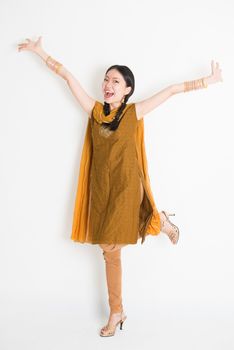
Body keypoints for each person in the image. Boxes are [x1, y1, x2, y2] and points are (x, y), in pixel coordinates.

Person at [17, 36, 223, 337]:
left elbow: (171, 91)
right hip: (103, 189)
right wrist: (40, 52)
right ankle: (160, 221)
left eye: (115, 80)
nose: (107, 84)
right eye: (105, 80)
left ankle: (116, 312)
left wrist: (207, 81)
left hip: (128, 186)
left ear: (127, 89)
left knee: (111, 247)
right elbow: (67, 77)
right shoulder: (96, 111)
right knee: (109, 247)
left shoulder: (134, 112)